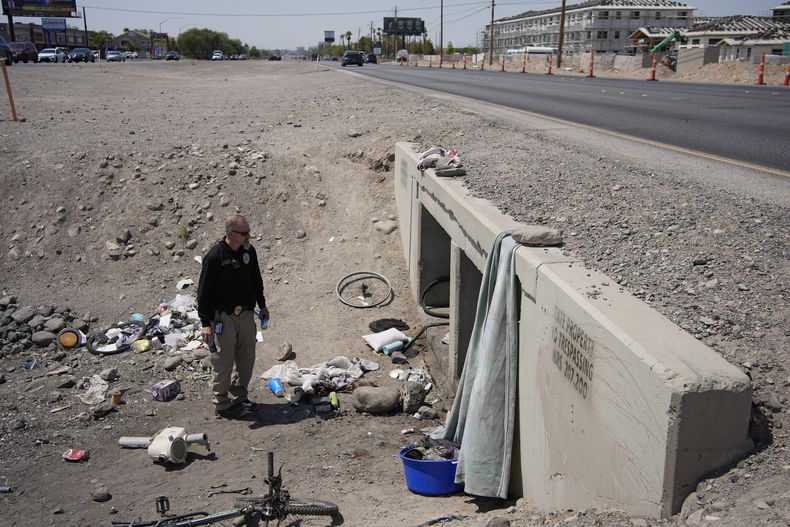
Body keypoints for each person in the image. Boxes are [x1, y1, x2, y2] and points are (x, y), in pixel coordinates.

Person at [197, 214, 269, 419]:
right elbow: (203, 292)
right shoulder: (214, 256)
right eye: (244, 233)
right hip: (223, 318)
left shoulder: (249, 251)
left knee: (247, 358)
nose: (248, 236)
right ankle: (221, 403)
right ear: (230, 233)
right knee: (223, 361)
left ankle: (239, 397)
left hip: (246, 313)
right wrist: (205, 322)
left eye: (249, 232)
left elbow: (256, 279)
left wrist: (262, 305)